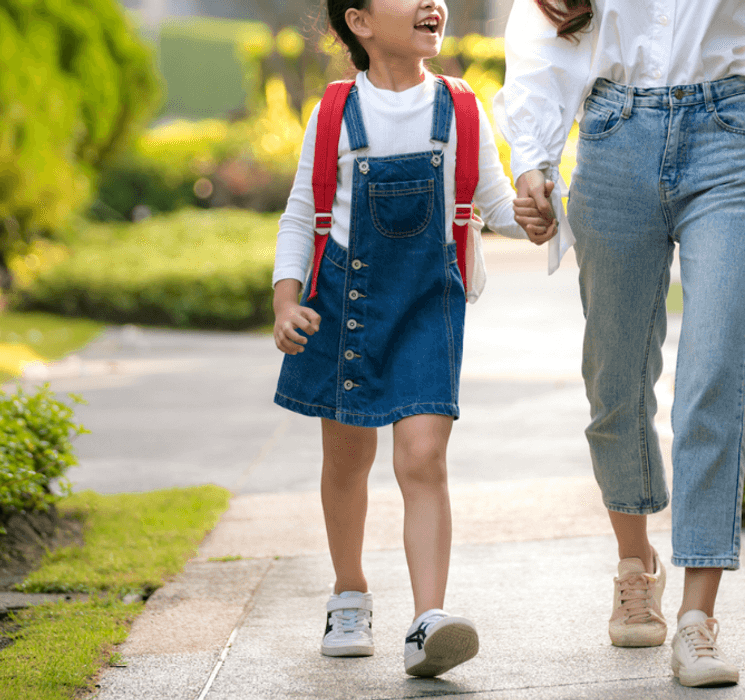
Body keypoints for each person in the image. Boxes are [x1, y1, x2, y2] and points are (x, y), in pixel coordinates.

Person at [494, 0, 745, 688]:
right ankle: (634, 567)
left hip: (728, 138)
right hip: (613, 133)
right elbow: (543, 25)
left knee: (714, 372)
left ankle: (697, 618)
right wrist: (532, 155)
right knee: (613, 378)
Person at [271, 0, 529, 678]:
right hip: (344, 304)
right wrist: (284, 300)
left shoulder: (460, 108)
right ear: (358, 22)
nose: (430, 3)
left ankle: (427, 620)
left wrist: (532, 213)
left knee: (422, 459)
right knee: (347, 460)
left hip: (425, 306)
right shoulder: (332, 113)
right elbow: (301, 214)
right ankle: (349, 592)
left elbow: (495, 204)